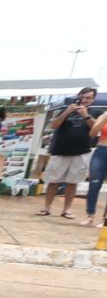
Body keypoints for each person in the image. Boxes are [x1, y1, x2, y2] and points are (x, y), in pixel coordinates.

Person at [38, 87, 100, 219]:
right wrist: (67, 112)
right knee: (53, 181)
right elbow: (53, 125)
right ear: (78, 96)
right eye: (82, 97)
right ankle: (46, 207)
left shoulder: (95, 111)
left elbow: (96, 128)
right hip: (60, 150)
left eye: (88, 97)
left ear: (93, 99)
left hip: (81, 152)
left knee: (73, 182)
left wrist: (85, 115)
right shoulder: (65, 109)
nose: (84, 100)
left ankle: (66, 210)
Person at [83, 113, 107, 226]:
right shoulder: (104, 115)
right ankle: (90, 215)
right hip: (102, 149)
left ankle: (105, 219)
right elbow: (92, 133)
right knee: (94, 184)